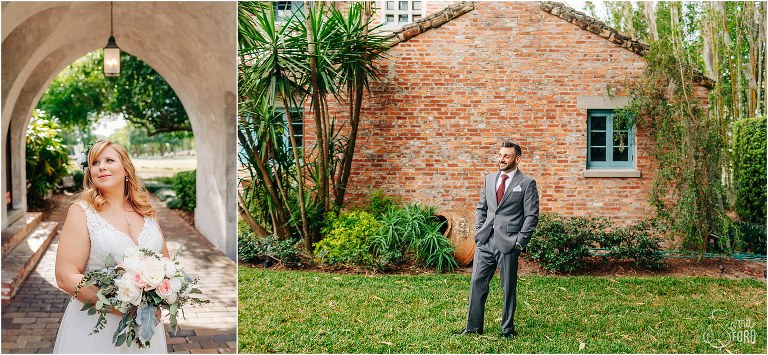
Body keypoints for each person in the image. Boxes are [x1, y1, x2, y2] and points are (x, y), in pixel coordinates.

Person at [54, 140, 168, 353]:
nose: (101, 167)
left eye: (109, 160)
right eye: (95, 163)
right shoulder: (82, 213)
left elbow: (166, 263)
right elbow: (66, 276)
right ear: (90, 173)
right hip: (98, 327)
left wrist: (159, 295)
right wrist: (124, 308)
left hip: (146, 326)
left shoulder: (146, 211)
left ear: (126, 168)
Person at [455, 140, 539, 339]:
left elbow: (531, 216)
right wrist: (478, 232)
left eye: (506, 156)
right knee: (477, 282)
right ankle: (473, 327)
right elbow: (481, 208)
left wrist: (520, 241)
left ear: (517, 159)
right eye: (500, 155)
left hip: (509, 243)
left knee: (508, 287)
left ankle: (507, 330)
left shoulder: (526, 183)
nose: (501, 159)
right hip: (485, 241)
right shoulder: (489, 179)